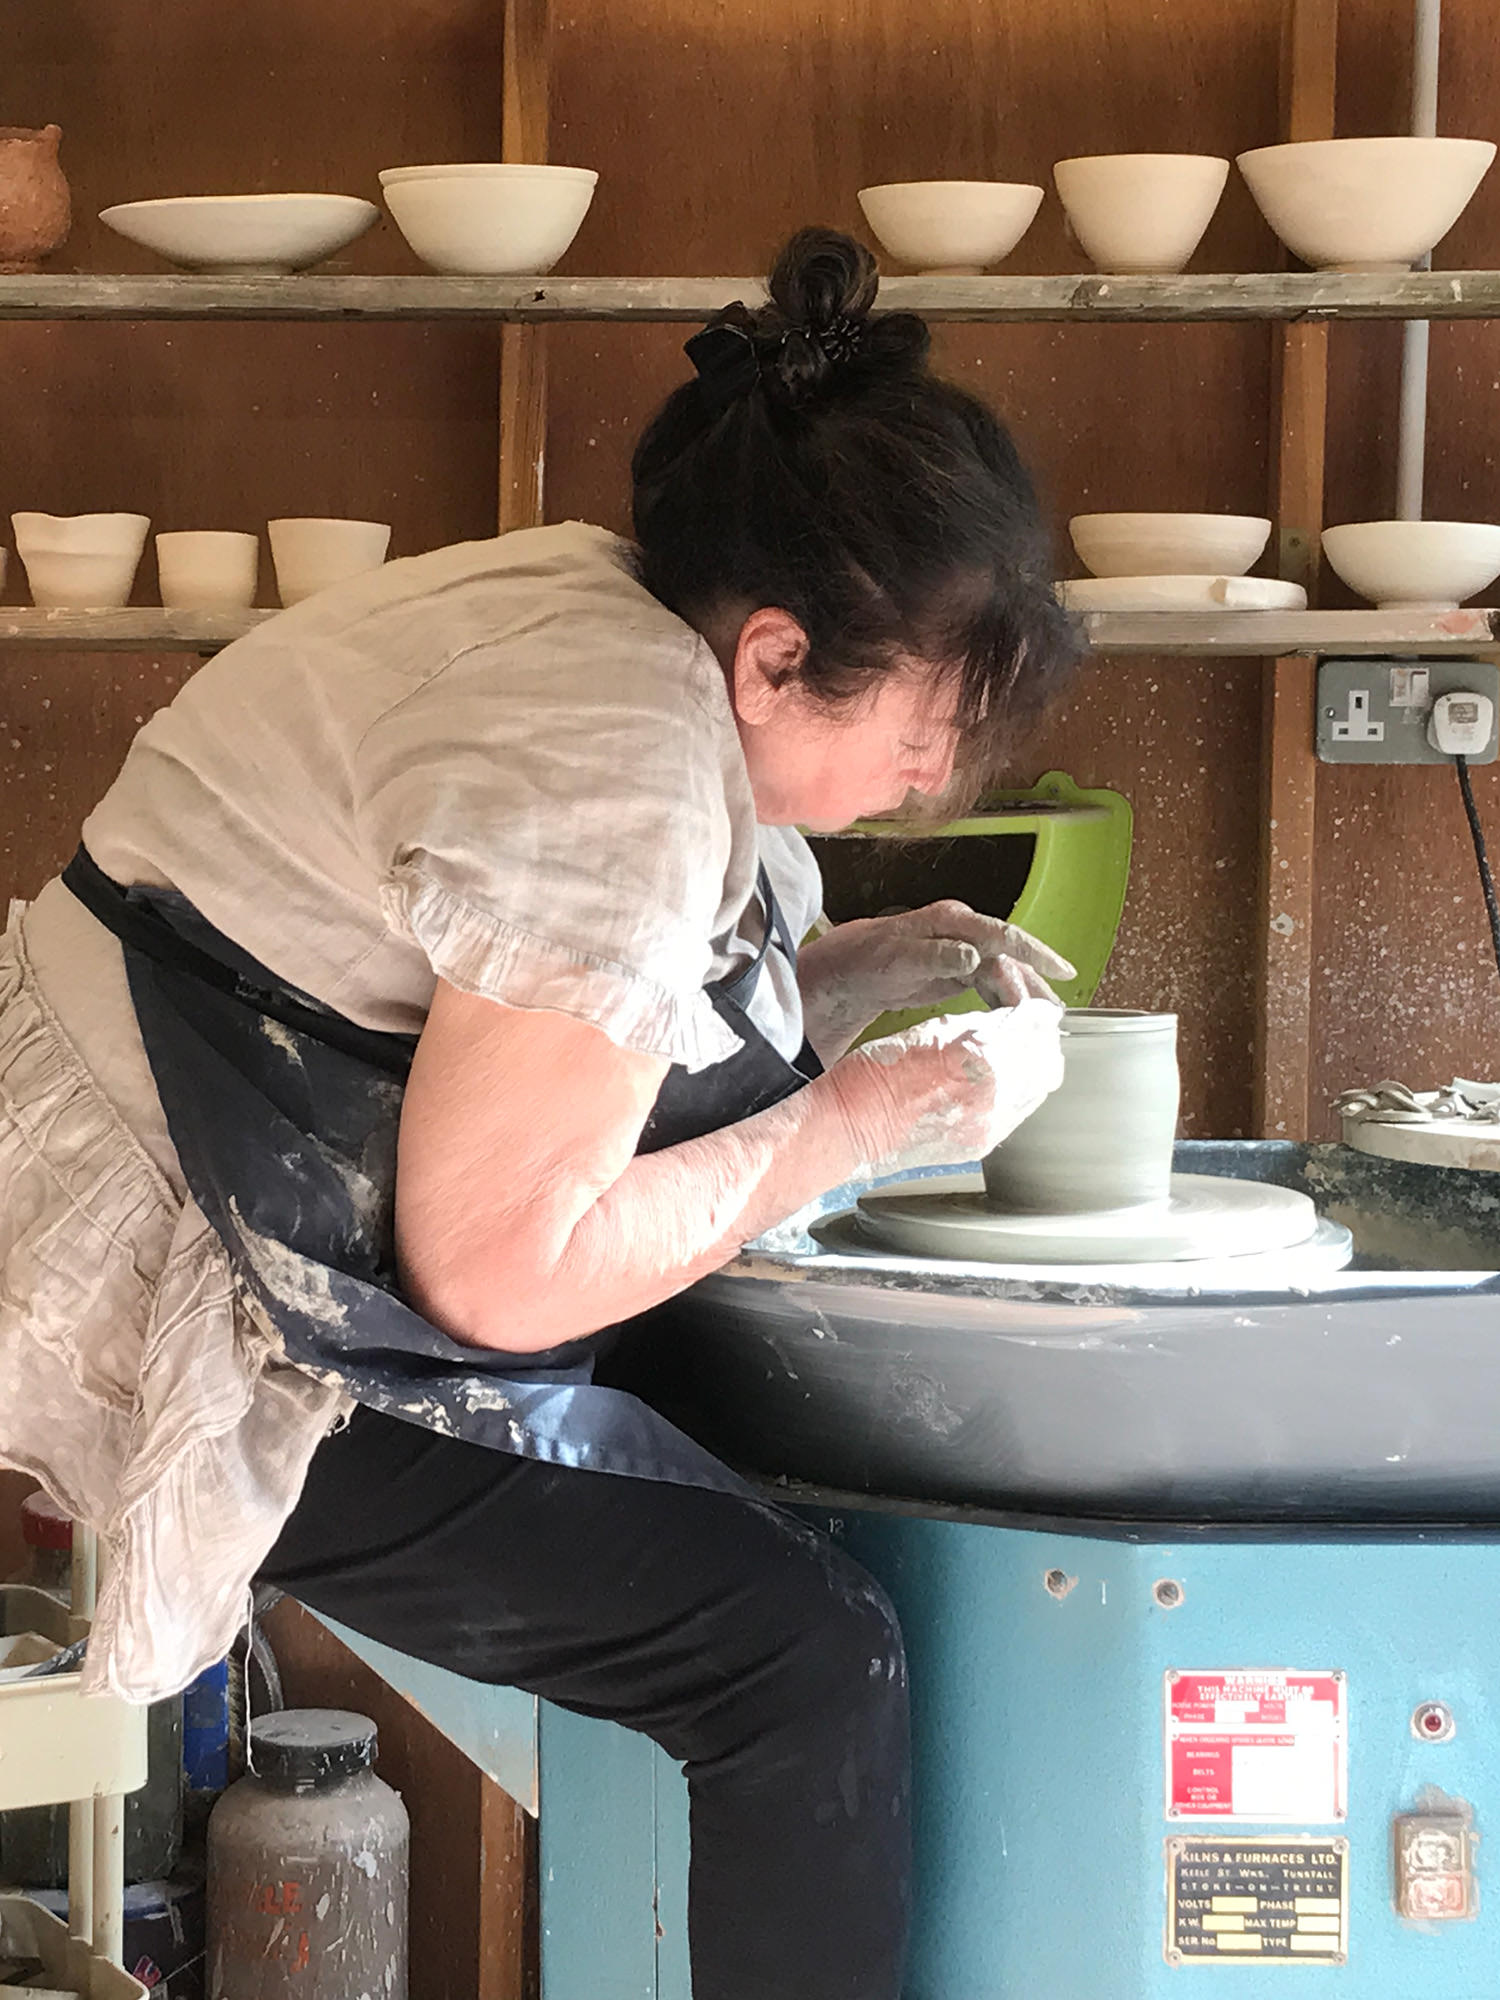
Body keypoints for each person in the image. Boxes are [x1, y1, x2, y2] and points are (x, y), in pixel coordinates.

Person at [0, 228, 1077, 1998]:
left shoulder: (599, 606)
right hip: (185, 1265)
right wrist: (876, 1117)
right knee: (800, 1661)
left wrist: (842, 971)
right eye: (925, 730)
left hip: (231, 1137)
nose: (935, 782)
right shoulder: (620, 767)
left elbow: (528, 1015)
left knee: (721, 1412)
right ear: (776, 656)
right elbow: (506, 1267)